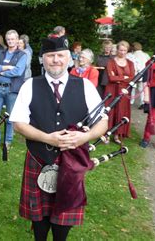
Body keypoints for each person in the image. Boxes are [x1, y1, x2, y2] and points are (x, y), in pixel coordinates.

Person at [10, 36, 108, 241]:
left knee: (64, 218)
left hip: (71, 162)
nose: (56, 60)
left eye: (60, 55)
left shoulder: (85, 86)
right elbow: (18, 123)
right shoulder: (30, 85)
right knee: (39, 220)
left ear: (70, 59)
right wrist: (48, 138)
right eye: (50, 55)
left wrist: (85, 137)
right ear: (42, 59)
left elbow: (102, 122)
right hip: (39, 159)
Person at [0, 30, 27, 149]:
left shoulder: (22, 55)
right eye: (8, 39)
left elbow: (18, 71)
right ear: (6, 40)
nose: (10, 41)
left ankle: (7, 141)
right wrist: (7, 67)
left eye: (13, 39)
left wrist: (1, 71)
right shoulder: (0, 53)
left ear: (17, 39)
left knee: (10, 118)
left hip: (12, 90)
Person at [104, 41, 135, 144]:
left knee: (121, 111)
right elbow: (111, 78)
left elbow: (132, 78)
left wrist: (118, 78)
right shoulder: (111, 62)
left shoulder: (130, 63)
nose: (122, 52)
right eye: (120, 50)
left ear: (127, 51)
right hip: (112, 90)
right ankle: (107, 134)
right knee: (110, 111)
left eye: (125, 50)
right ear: (117, 50)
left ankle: (117, 134)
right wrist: (124, 78)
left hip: (124, 91)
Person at [131, 42, 150, 108]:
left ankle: (131, 101)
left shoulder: (132, 55)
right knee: (142, 89)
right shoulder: (146, 55)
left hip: (135, 74)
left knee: (132, 88)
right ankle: (142, 102)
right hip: (144, 73)